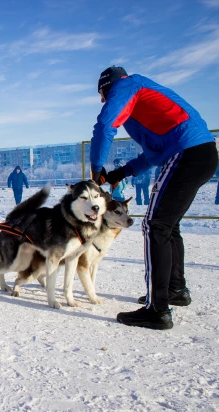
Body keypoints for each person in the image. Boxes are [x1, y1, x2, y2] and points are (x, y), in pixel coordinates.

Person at [90, 66, 217, 330]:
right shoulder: (145, 101)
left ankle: (157, 309)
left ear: (107, 87)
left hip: (187, 153)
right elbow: (154, 153)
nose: (104, 101)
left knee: (154, 225)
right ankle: (175, 290)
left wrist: (97, 167)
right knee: (168, 226)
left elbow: (104, 125)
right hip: (201, 153)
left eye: (103, 95)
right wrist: (121, 172)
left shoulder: (126, 87)